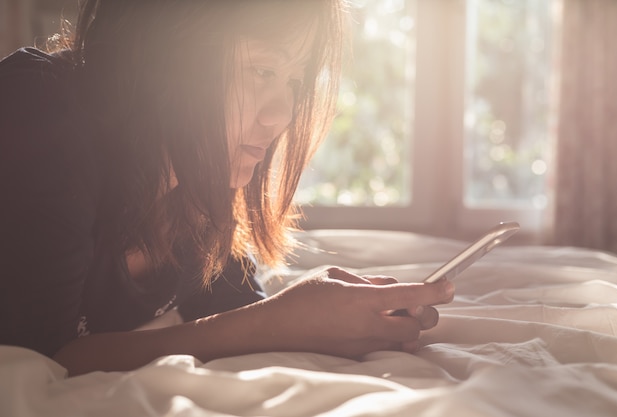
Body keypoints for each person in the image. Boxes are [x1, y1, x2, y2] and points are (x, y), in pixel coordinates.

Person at [0, 0, 454, 376]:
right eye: (262, 71)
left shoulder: (198, 184)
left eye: (295, 80)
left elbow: (235, 308)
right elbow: (39, 357)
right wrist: (277, 324)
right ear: (172, 51)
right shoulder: (37, 112)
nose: (282, 114)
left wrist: (332, 317)